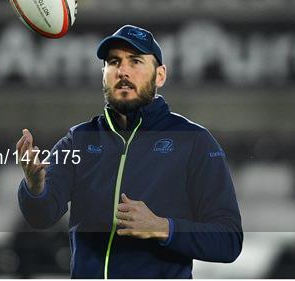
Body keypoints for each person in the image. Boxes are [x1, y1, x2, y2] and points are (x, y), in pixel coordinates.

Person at [16, 25, 243, 278]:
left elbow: (229, 240)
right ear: (104, 74)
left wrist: (163, 228)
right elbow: (41, 217)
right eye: (114, 62)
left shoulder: (194, 142)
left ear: (160, 76)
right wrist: (34, 187)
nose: (123, 71)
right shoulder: (78, 140)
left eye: (135, 61)